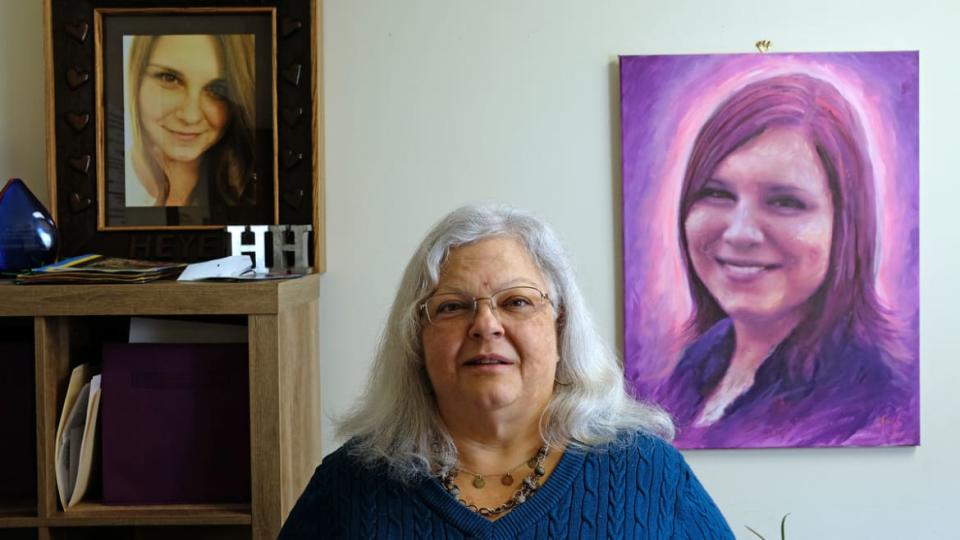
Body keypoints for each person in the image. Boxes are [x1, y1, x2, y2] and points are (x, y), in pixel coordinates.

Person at [279, 205, 733, 538]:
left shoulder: (648, 473)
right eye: (453, 307)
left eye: (516, 302)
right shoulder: (349, 484)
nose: (485, 326)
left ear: (561, 326)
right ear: (416, 338)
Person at [652, 74, 916, 448]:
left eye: (785, 202)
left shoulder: (866, 403)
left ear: (846, 225)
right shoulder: (697, 364)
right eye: (715, 193)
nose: (740, 233)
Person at [125, 34, 257, 209]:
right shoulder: (105, 188)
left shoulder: (259, 190)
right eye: (169, 78)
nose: (190, 116)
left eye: (217, 88)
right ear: (136, 78)